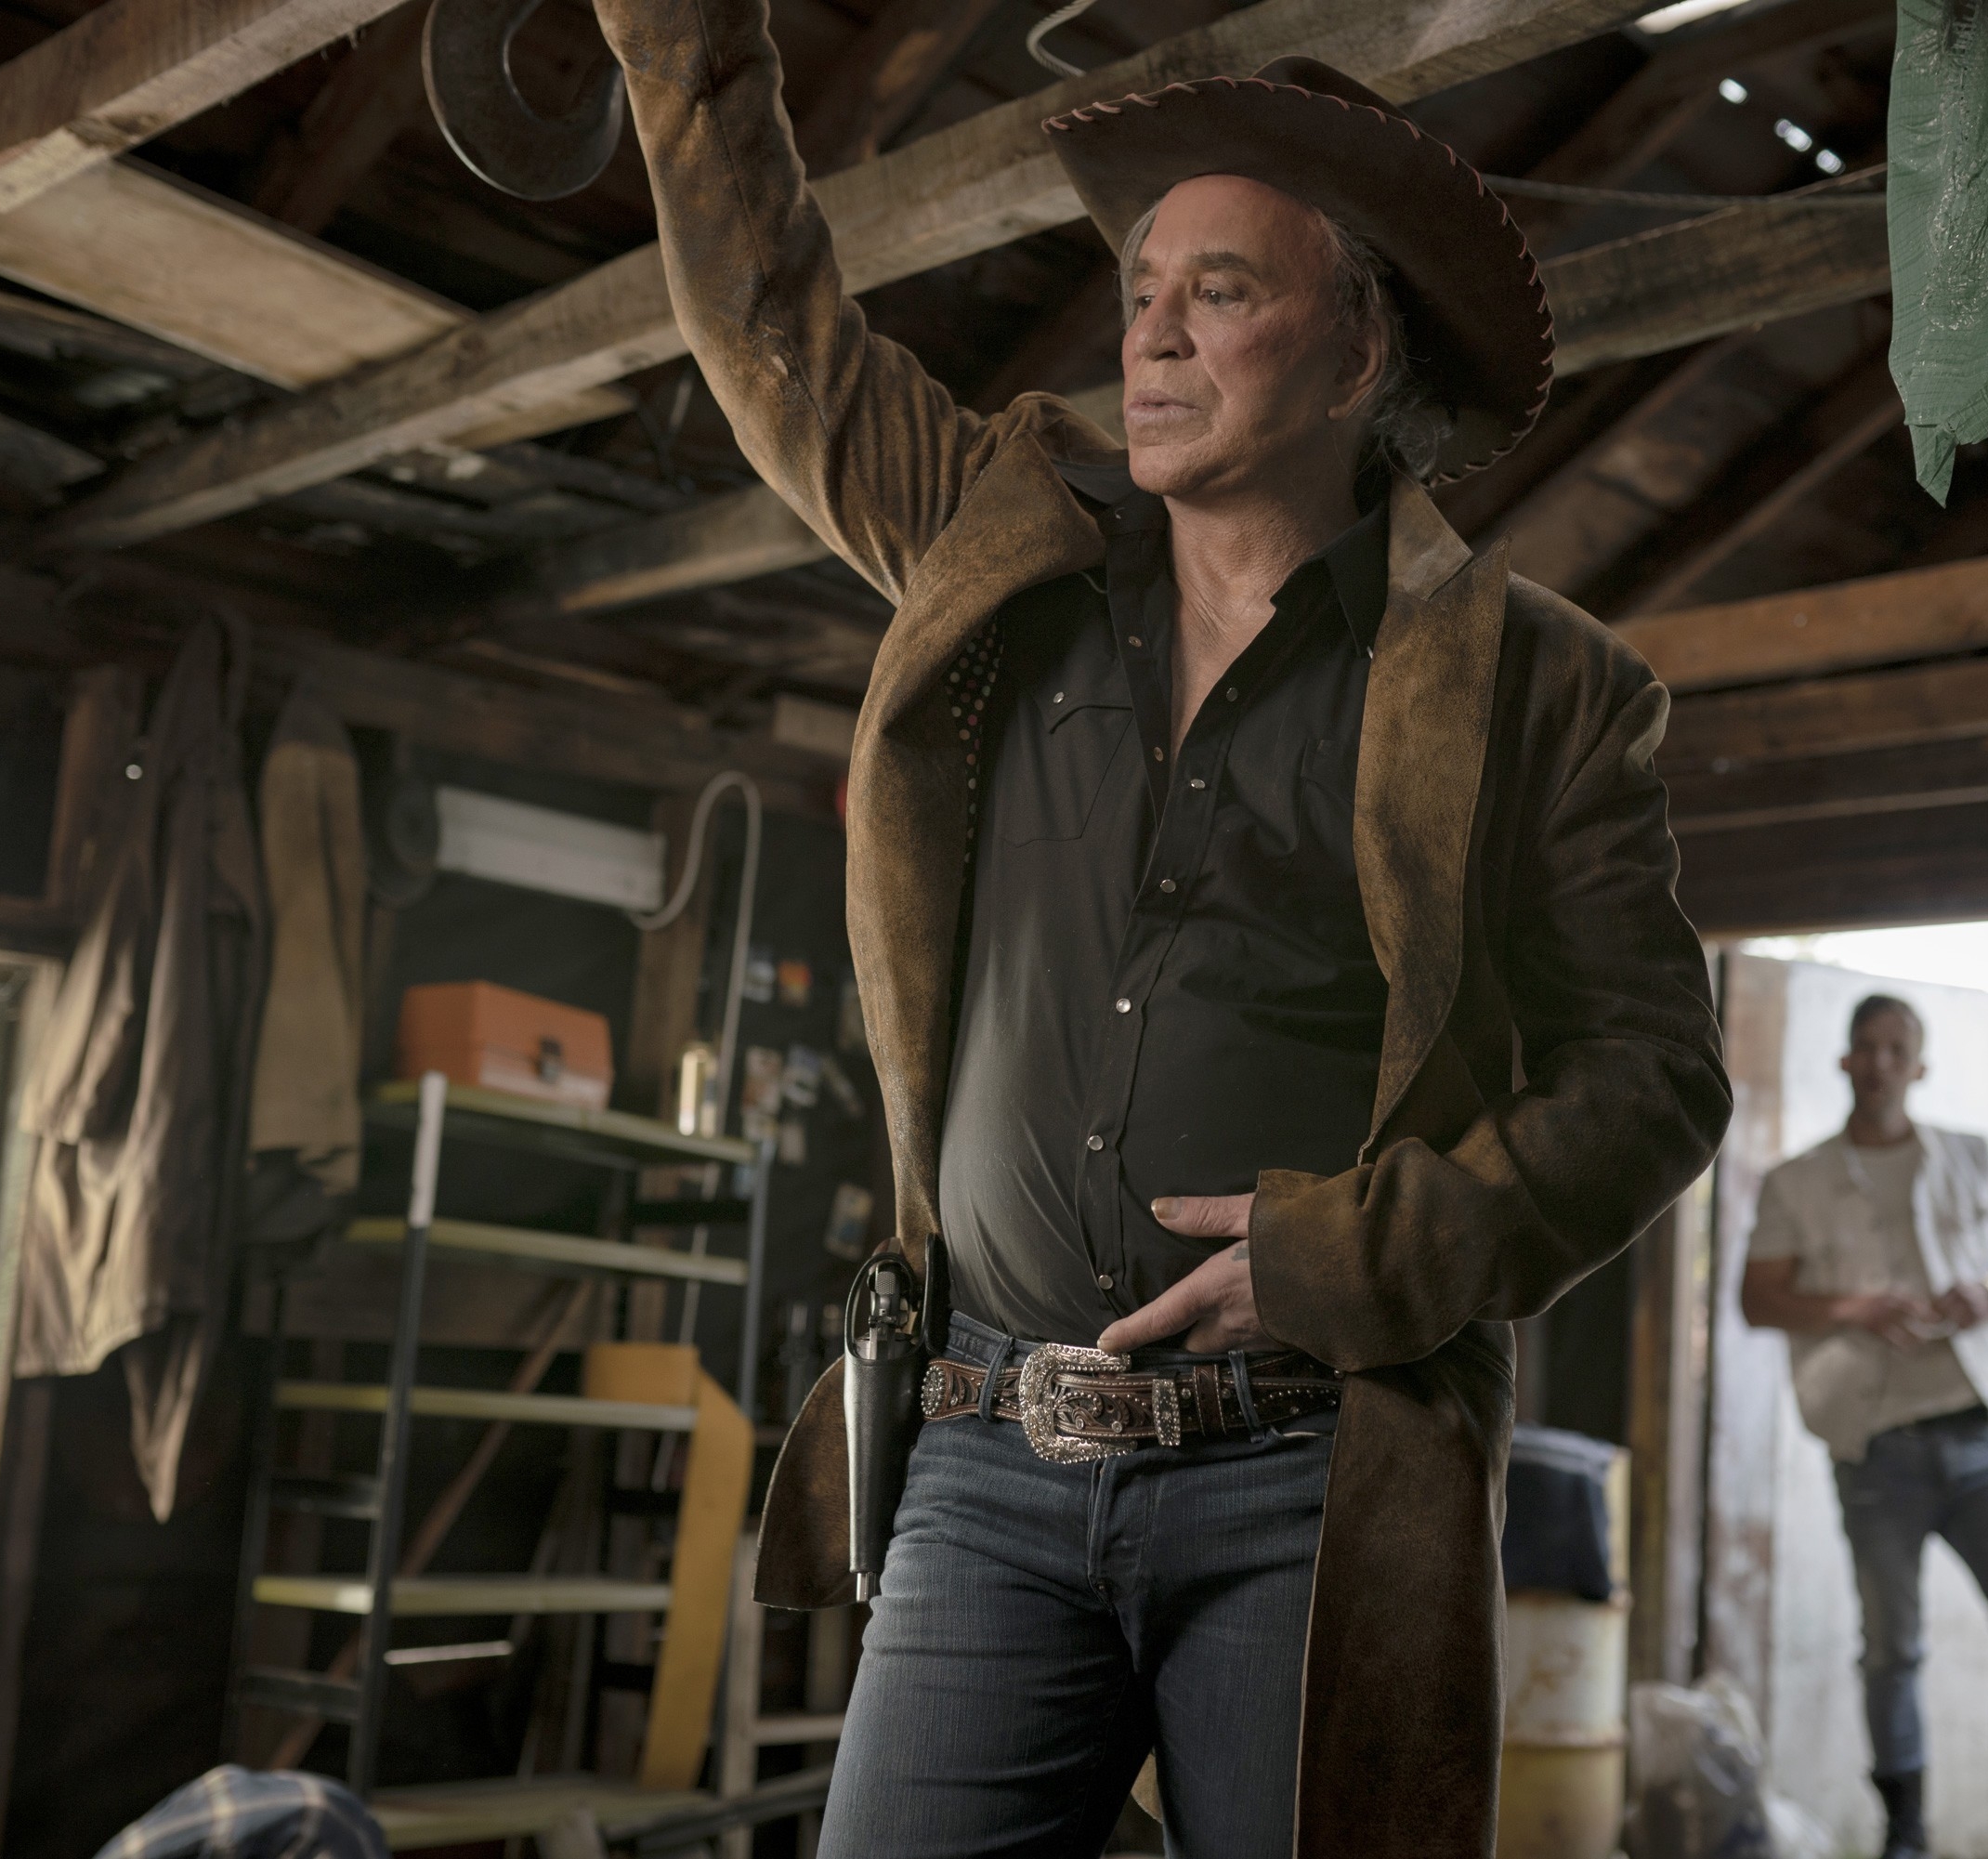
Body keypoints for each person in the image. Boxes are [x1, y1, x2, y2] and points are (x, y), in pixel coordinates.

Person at [587, 4, 1733, 1851]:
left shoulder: (1538, 689)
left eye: (1221, 290)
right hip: (983, 1452)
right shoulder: (1000, 543)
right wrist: (676, 40)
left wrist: (1351, 1256)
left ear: (1360, 343)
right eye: (1140, 289)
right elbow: (776, 336)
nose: (1151, 330)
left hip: (1307, 1474)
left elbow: (1657, 1079)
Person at [1742, 994, 1988, 1859]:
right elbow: (1754, 1296)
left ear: (1918, 1067)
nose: (1882, 1061)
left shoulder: (1969, 1156)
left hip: (1977, 1432)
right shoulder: (1797, 1180)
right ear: (1846, 1060)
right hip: (1873, 1445)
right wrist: (1853, 1304)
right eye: (1868, 1046)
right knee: (1892, 1648)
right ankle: (1906, 1838)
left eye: (1899, 1048)